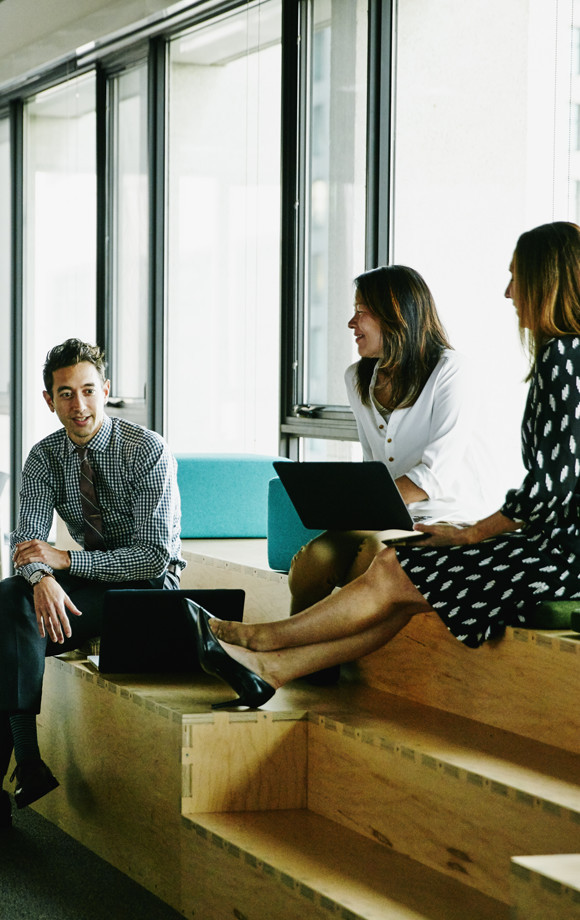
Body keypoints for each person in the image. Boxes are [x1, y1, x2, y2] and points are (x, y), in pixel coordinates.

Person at [191, 221, 580, 709]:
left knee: (396, 567)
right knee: (398, 583)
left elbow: (549, 489)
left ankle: (262, 641)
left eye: (516, 277)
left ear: (548, 281)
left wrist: (471, 534)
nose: (507, 292)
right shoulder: (564, 355)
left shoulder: (561, 357)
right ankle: (271, 670)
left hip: (562, 555)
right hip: (557, 545)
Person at [0, 339, 185, 827]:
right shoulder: (43, 457)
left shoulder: (146, 449)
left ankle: (23, 763)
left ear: (106, 390)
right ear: (48, 400)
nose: (78, 406)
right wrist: (41, 577)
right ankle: (28, 764)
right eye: (65, 394)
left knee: (5, 630)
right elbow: (25, 541)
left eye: (87, 391)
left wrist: (65, 562)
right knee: (8, 600)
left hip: (147, 593)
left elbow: (152, 557)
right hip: (86, 587)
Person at [287, 265, 496, 682]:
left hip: (446, 518)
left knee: (368, 555)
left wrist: (364, 505)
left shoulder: (451, 371)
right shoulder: (358, 378)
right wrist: (352, 503)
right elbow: (373, 464)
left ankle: (313, 659)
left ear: (396, 316)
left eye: (361, 312)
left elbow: (435, 474)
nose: (351, 323)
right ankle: (307, 665)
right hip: (387, 514)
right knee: (315, 559)